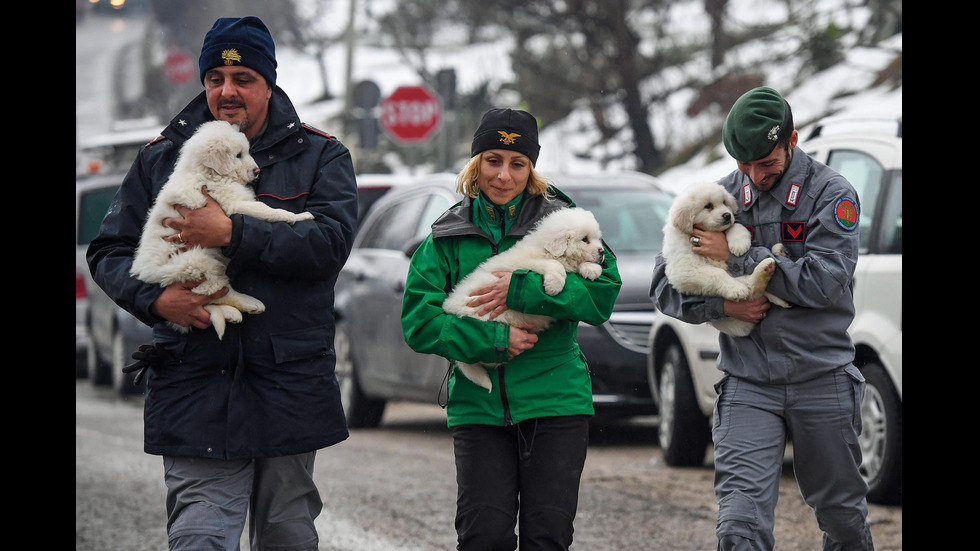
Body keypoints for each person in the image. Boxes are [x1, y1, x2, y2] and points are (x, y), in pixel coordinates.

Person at [86, 16, 358, 550]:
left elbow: (329, 246)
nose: (227, 91)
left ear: (269, 82)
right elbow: (109, 250)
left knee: (287, 536)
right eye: (215, 79)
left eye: (243, 79)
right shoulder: (161, 156)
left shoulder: (321, 156)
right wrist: (156, 298)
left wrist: (234, 232)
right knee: (199, 536)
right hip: (194, 381)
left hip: (288, 382)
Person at [650, 87, 874, 550]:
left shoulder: (832, 195)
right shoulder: (715, 198)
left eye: (766, 164)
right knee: (739, 524)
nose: (754, 176)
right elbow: (664, 285)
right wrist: (725, 306)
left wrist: (741, 259)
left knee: (843, 519)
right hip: (749, 382)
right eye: (743, 165)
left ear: (791, 141)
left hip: (822, 377)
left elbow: (823, 283)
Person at [401, 108, 622, 550]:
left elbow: (603, 296)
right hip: (478, 408)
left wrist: (525, 292)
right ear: (476, 163)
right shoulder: (446, 235)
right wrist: (494, 339)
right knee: (483, 537)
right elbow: (419, 321)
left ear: (531, 168)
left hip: (556, 402)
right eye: (493, 160)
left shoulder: (567, 222)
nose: (503, 175)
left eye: (517, 163)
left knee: (548, 537)